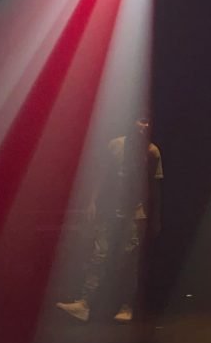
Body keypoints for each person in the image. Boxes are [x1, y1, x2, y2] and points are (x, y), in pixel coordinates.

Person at [57, 118, 163, 323]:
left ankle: (126, 305)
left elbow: (155, 187)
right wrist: (92, 201)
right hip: (111, 209)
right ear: (132, 122)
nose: (145, 126)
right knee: (100, 254)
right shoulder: (115, 145)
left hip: (135, 212)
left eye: (148, 123)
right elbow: (103, 175)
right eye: (142, 121)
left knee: (127, 260)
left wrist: (155, 217)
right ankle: (84, 303)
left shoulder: (152, 151)